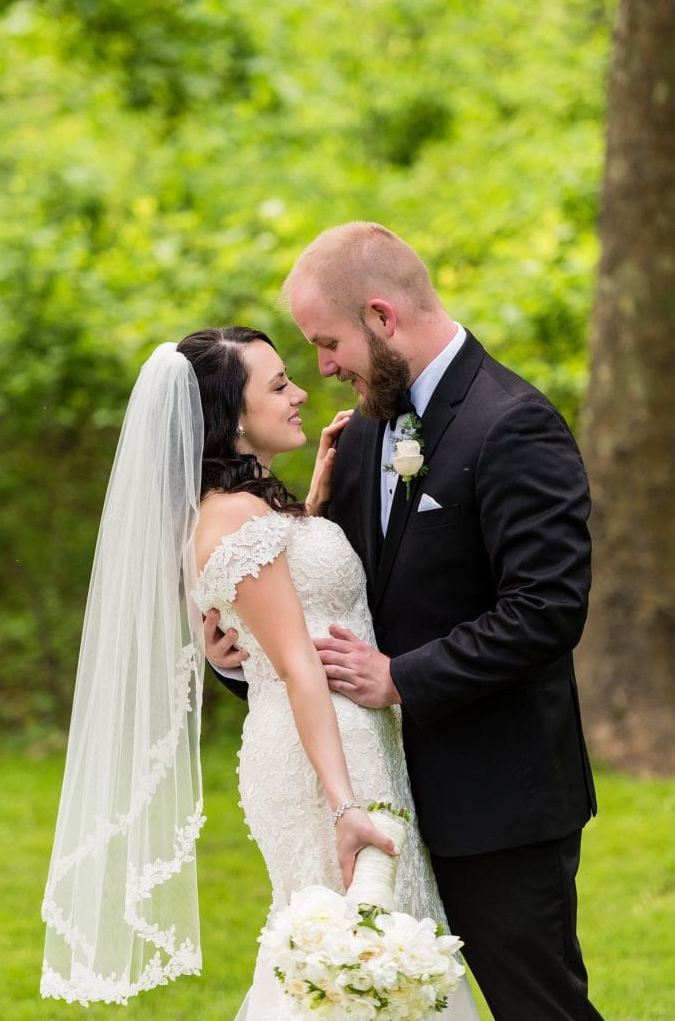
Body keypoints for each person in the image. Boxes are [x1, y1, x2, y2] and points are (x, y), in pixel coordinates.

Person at [208, 223, 604, 1020]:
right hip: (379, 791)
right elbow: (336, 596)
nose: (320, 367)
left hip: (494, 797)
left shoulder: (512, 423)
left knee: (538, 1007)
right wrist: (238, 655)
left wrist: (401, 678)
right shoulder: (360, 432)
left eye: (327, 341)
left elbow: (547, 608)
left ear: (383, 318)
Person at [41, 326, 479, 1021]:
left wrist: (313, 504)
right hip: (319, 758)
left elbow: (289, 598)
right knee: (342, 956)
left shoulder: (255, 509)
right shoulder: (234, 520)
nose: (301, 392)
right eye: (278, 386)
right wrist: (343, 806)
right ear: (229, 416)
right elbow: (299, 665)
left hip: (350, 736)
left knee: (377, 945)